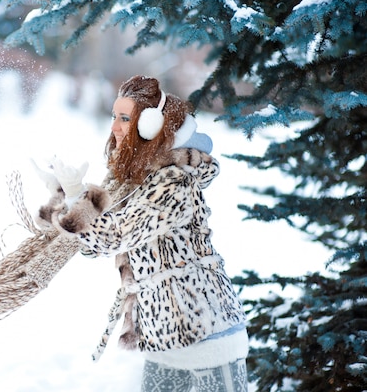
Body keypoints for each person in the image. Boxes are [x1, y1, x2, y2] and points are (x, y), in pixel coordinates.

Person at [38, 75, 249, 392]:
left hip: (208, 337)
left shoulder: (175, 181)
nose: (115, 127)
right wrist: (70, 198)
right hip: (163, 339)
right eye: (114, 117)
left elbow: (115, 235)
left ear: (151, 124)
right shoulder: (134, 182)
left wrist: (76, 199)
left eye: (125, 118)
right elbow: (93, 246)